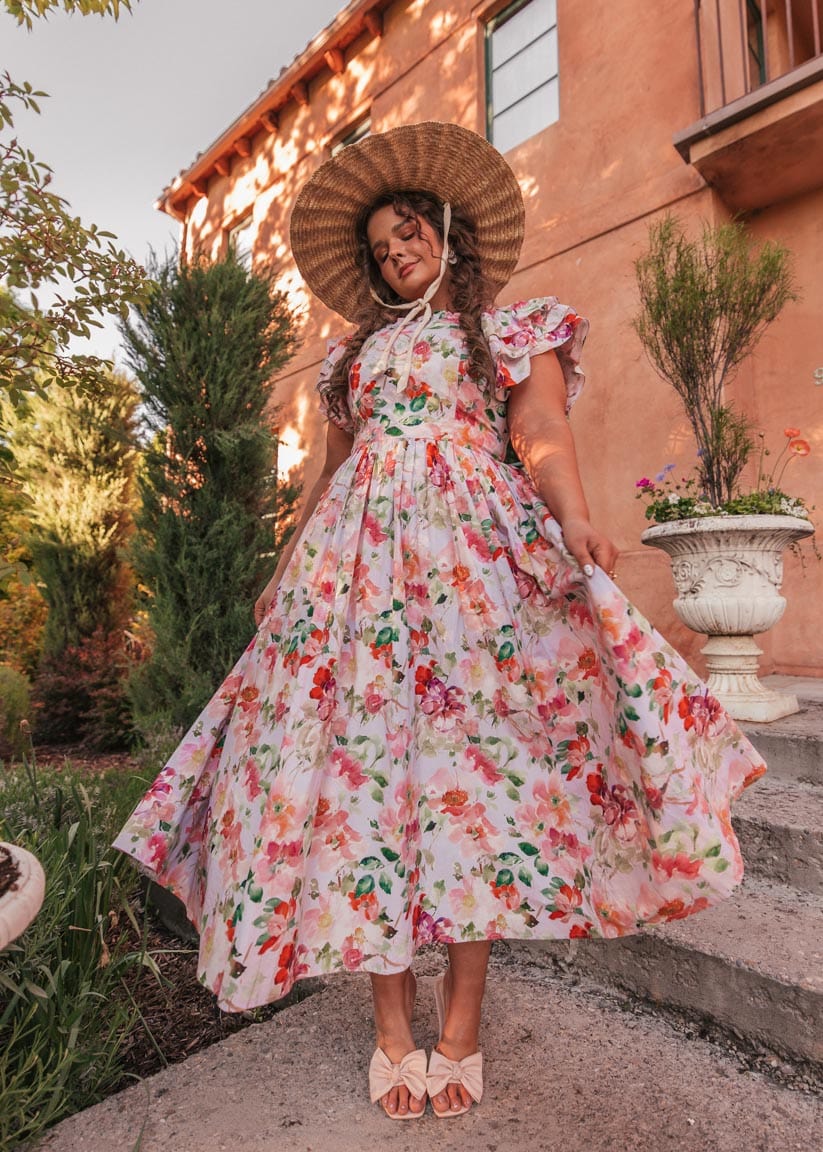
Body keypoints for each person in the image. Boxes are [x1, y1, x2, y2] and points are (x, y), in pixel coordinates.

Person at [114, 121, 766, 1121]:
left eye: (409, 232)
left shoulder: (509, 330)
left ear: (449, 233)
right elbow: (329, 476)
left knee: (475, 789)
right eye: (380, 249)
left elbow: (539, 431)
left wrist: (574, 518)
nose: (395, 253)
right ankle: (390, 1028)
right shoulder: (350, 360)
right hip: (352, 581)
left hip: (473, 571)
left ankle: (458, 1027)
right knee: (360, 783)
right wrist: (285, 567)